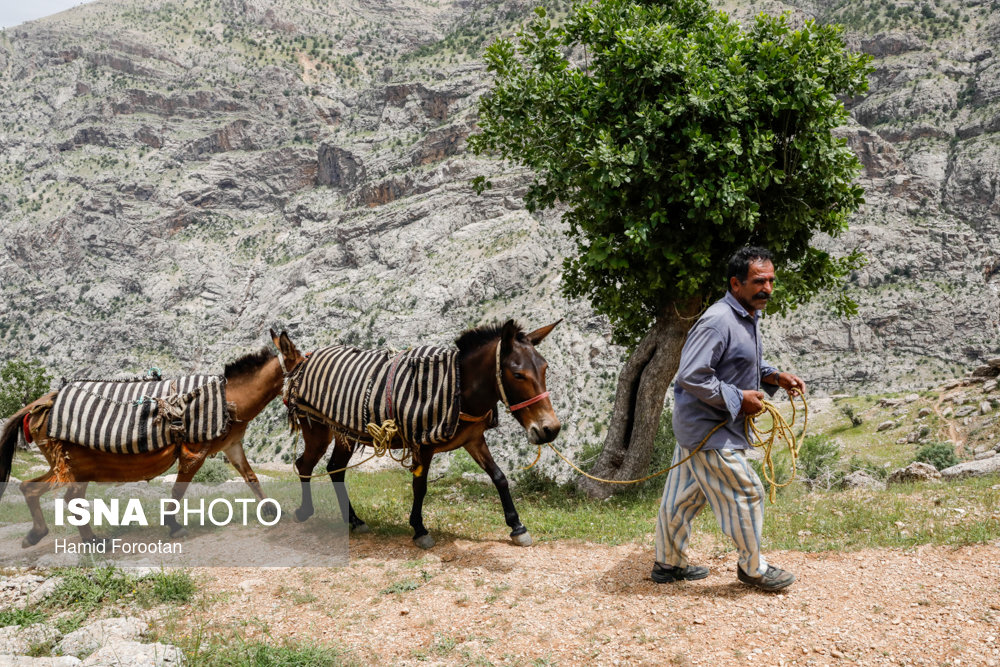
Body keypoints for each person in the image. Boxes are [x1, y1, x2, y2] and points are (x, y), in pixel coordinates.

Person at [651, 246, 806, 592]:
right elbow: (691, 375)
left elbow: (738, 364)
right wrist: (739, 398)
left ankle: (668, 563)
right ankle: (753, 569)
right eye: (758, 281)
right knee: (747, 492)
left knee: (682, 498)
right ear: (736, 284)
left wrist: (775, 376)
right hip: (710, 432)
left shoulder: (747, 316)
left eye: (770, 281)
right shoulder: (719, 320)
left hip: (698, 428)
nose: (767, 288)